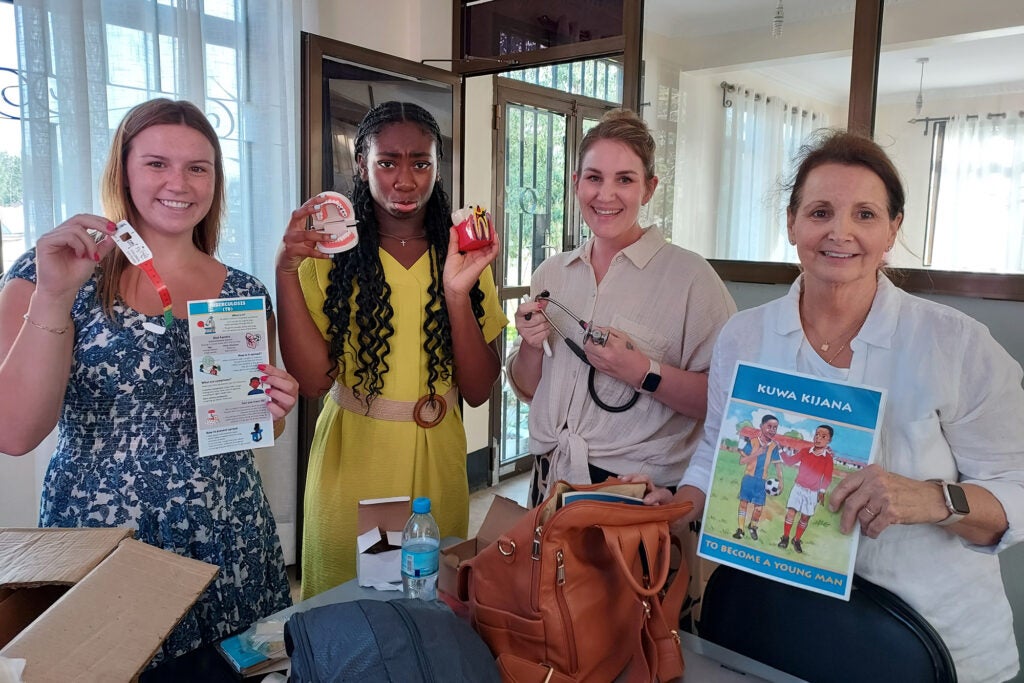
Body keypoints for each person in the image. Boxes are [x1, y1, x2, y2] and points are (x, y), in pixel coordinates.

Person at [627, 130, 1024, 682]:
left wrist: (931, 498)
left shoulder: (955, 345)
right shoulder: (745, 336)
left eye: (865, 214)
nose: (841, 232)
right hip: (777, 629)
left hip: (934, 648)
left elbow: (1017, 492)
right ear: (792, 223)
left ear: (893, 230)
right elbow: (717, 453)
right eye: (820, 212)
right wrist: (679, 504)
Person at [0, 98, 297, 663]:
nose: (178, 183)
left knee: (232, 673)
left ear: (215, 179)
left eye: (197, 167)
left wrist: (271, 412)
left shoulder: (242, 291)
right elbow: (13, 433)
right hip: (102, 535)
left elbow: (251, 434)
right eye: (157, 163)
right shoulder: (52, 271)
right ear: (124, 171)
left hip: (227, 530)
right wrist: (55, 296)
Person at [275, 101, 507, 598]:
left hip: (436, 453)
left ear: (437, 167)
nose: (405, 180)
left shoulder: (463, 253)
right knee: (350, 599)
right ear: (362, 164)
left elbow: (478, 388)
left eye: (420, 163)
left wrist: (456, 295)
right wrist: (285, 272)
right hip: (355, 455)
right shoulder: (329, 256)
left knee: (428, 599)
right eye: (388, 162)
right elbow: (314, 381)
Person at [508, 108, 736, 507]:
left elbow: (724, 402)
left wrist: (642, 372)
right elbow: (529, 388)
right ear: (576, 183)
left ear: (649, 189)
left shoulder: (691, 280)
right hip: (548, 482)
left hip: (632, 496)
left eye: (625, 180)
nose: (606, 195)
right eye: (594, 178)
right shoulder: (551, 275)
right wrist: (529, 344)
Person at [778, 424, 835, 553]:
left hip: (812, 492)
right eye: (817, 435)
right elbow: (789, 462)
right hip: (798, 488)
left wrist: (822, 491)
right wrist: (781, 450)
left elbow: (827, 477)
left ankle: (796, 540)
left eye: (823, 436)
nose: (818, 438)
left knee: (805, 517)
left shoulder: (828, 459)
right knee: (791, 512)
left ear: (829, 440)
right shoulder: (805, 451)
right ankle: (785, 537)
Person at [733, 413, 784, 541]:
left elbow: (778, 465)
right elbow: (742, 461)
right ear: (761, 426)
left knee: (758, 508)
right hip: (749, 479)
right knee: (743, 504)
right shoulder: (753, 442)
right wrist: (756, 454)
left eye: (775, 428)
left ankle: (753, 526)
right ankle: (740, 529)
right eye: (769, 426)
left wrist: (781, 481)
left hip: (762, 482)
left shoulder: (774, 447)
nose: (772, 430)